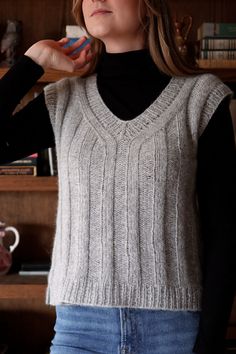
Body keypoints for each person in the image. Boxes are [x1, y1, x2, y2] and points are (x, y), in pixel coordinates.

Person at [0, 0, 235, 353]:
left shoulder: (200, 99)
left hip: (174, 332)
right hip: (80, 331)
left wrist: (209, 344)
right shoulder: (64, 100)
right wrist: (31, 63)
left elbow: (225, 231)